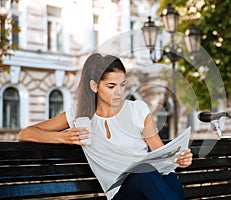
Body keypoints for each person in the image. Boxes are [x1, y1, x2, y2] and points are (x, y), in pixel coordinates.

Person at [18, 53, 193, 200]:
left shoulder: (138, 109)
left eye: (122, 85)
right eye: (111, 86)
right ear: (95, 86)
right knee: (143, 173)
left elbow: (159, 152)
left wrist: (178, 158)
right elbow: (26, 133)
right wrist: (63, 137)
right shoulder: (80, 116)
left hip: (151, 185)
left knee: (164, 176)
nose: (118, 92)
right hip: (123, 193)